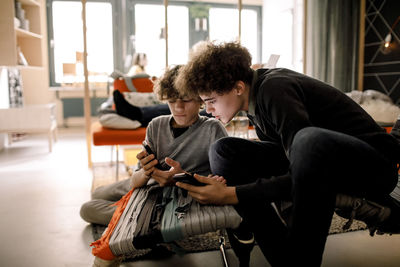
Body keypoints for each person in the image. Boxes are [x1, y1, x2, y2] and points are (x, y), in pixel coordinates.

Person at [174, 42, 400, 266]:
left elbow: (302, 166)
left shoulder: (274, 89)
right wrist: (213, 180)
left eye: (211, 101)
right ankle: (284, 256)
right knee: (224, 151)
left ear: (238, 87)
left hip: (373, 168)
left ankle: (299, 259)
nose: (208, 109)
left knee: (307, 140)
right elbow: (295, 165)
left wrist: (232, 194)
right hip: (327, 164)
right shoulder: (254, 99)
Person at [80, 64, 228, 226]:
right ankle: (149, 218)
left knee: (88, 209)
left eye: (186, 99)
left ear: (200, 99)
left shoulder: (213, 128)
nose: (178, 107)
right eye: (171, 100)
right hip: (150, 185)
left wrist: (182, 177)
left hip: (180, 196)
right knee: (96, 195)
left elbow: (221, 184)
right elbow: (136, 180)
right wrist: (146, 171)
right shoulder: (155, 125)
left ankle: (151, 217)